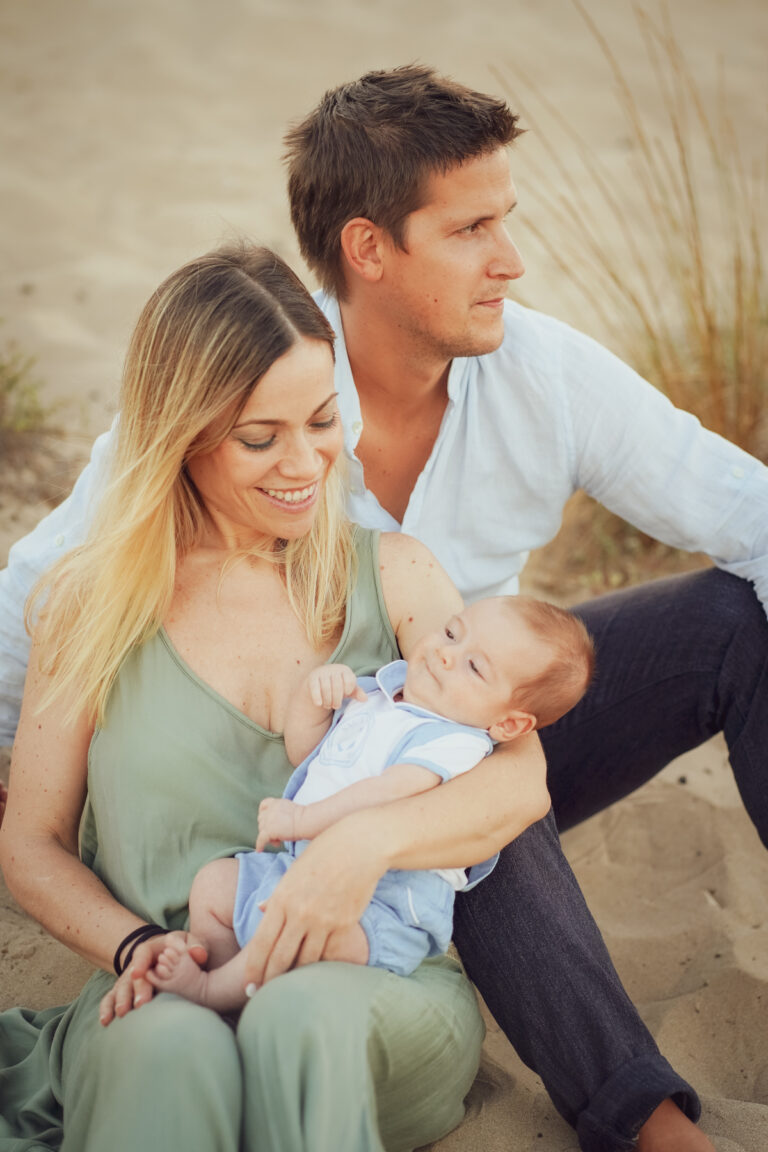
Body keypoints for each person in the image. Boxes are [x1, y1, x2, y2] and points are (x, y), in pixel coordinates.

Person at [2, 63, 765, 1150]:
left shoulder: (526, 395)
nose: (511, 259)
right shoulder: (244, 381)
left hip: (465, 726)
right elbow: (43, 596)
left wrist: (364, 843)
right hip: (349, 774)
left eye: (323, 425)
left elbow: (744, 510)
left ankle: (641, 1117)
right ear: (370, 249)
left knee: (523, 718)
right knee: (445, 750)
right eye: (471, 229)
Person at [0, 243, 553, 1152]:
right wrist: (140, 949)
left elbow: (518, 782)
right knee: (169, 1052)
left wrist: (362, 847)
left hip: (368, 977)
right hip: (160, 971)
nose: (307, 463)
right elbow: (32, 843)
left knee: (297, 1020)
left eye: (325, 419)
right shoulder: (84, 605)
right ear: (180, 435)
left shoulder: (401, 578)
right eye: (261, 437)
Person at [144, 595, 595, 1011]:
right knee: (214, 883)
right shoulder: (378, 696)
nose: (445, 653)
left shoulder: (456, 742)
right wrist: (312, 698)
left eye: (474, 668)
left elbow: (389, 792)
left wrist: (303, 818)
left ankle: (213, 993)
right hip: (303, 869)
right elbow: (309, 755)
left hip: (383, 906)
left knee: (298, 934)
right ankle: (221, 966)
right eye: (452, 633)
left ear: (510, 723)